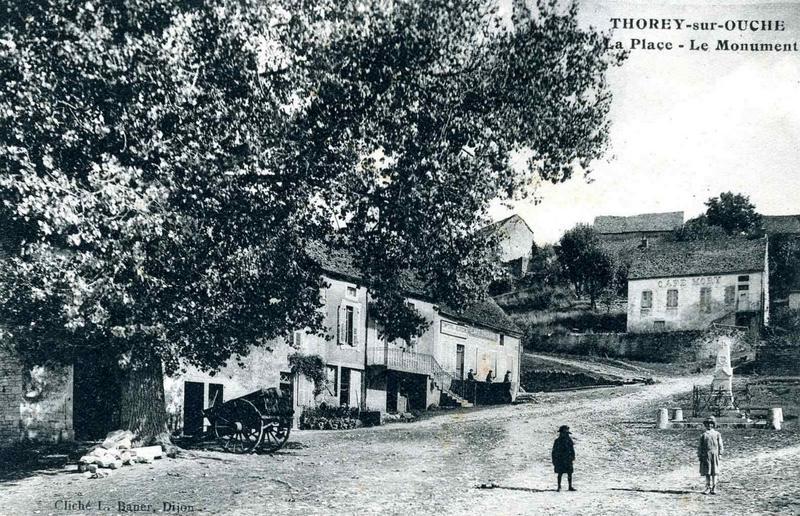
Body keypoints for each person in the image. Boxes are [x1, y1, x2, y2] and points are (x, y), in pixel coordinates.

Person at [698, 415, 723, 494]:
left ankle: (714, 487)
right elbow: (700, 446)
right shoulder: (703, 435)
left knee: (714, 471)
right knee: (707, 472)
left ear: (713, 424)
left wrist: (720, 453)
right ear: (705, 425)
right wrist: (700, 455)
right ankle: (708, 487)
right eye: (707, 424)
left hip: (714, 454)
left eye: (711, 424)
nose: (709, 425)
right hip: (706, 455)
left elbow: (720, 444)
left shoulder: (717, 434)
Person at [551, 425, 576, 492]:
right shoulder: (557, 441)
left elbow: (572, 449)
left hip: (568, 459)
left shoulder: (569, 440)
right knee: (560, 473)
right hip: (560, 459)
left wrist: (573, 456)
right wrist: (554, 460)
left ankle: (570, 486)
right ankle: (559, 486)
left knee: (569, 473)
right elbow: (554, 451)